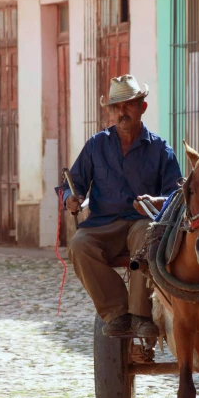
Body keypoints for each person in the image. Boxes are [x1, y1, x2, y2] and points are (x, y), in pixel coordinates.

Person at [58, 74, 182, 338]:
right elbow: (73, 183)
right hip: (103, 223)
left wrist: (155, 201)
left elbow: (176, 195)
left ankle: (140, 316)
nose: (122, 111)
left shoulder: (160, 149)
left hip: (142, 223)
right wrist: (71, 197)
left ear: (142, 107)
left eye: (128, 104)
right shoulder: (96, 145)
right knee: (79, 245)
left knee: (146, 234)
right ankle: (117, 312)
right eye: (116, 106)